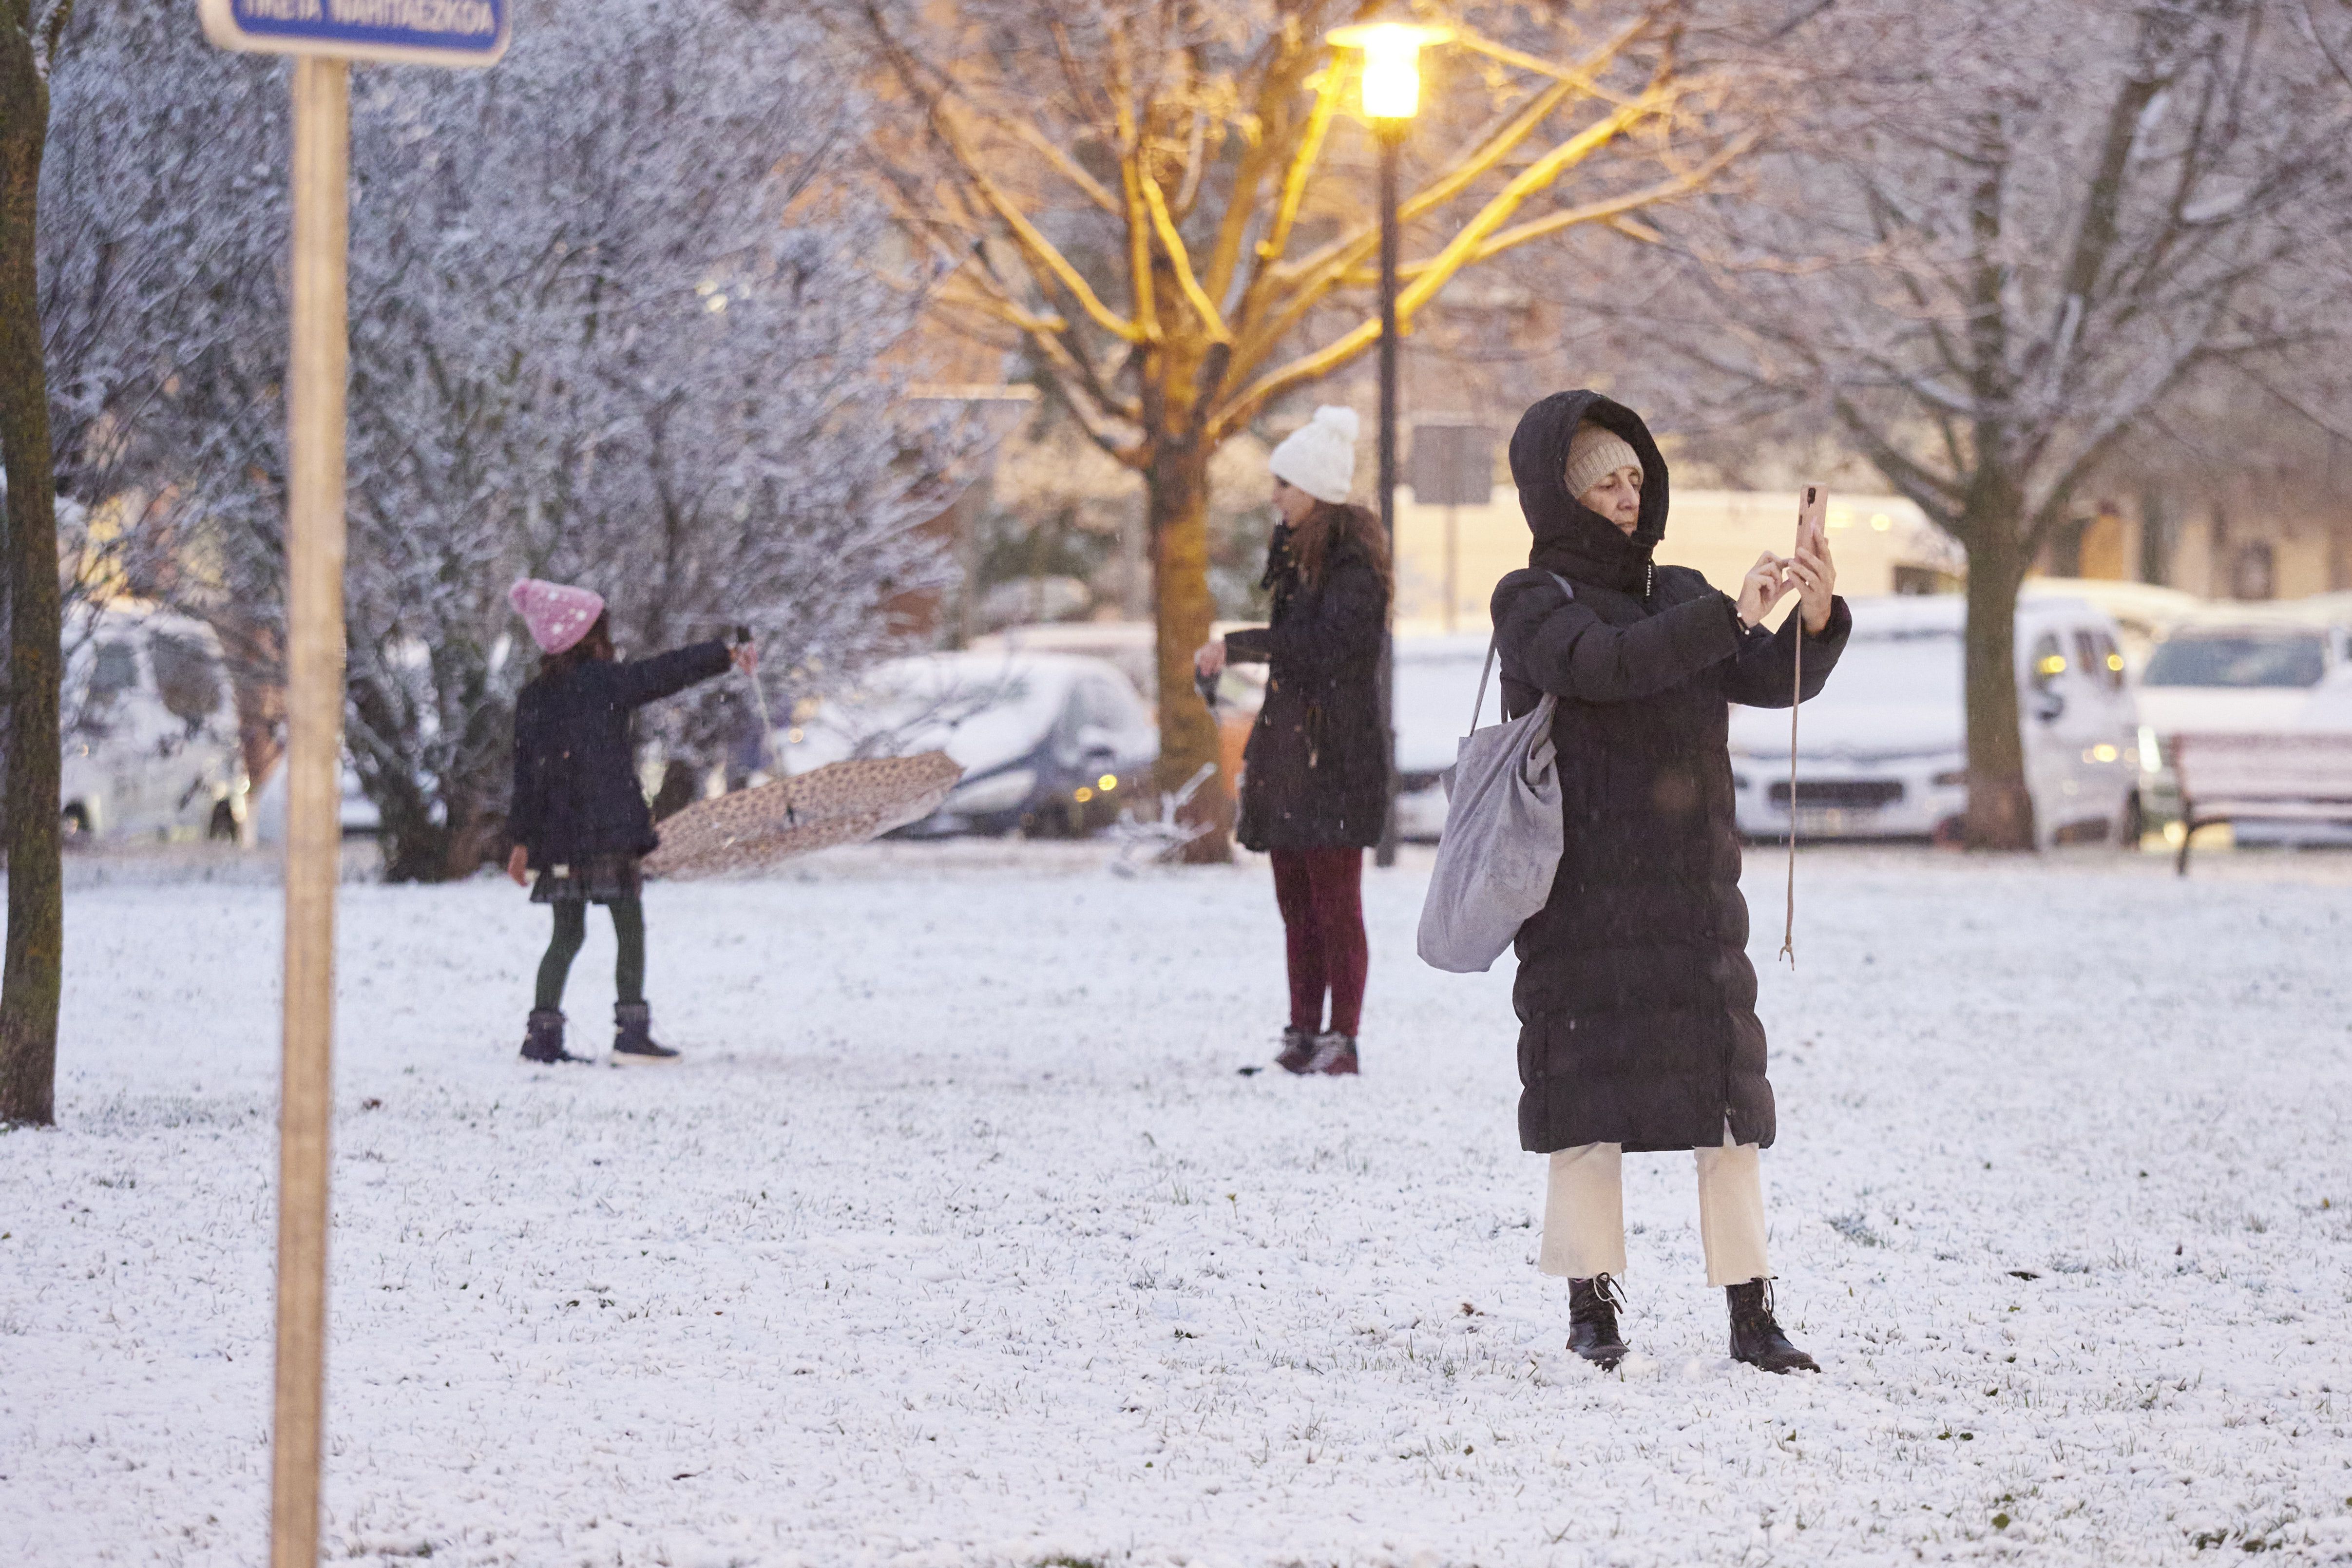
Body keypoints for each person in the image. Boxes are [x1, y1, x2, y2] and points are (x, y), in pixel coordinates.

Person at [1490, 391, 1849, 1374]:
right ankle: (1590, 1308)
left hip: (1691, 899)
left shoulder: (1680, 587)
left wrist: (1812, 614)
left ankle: (1751, 1310)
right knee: (1583, 1113)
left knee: (1724, 1110)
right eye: (1602, 479)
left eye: (1633, 477)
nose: (1622, 494)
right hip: (1580, 899)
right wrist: (1727, 616)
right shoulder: (1531, 604)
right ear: (1557, 493)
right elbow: (1606, 666)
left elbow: (1771, 676)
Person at [1194, 405, 1391, 1077]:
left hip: (1334, 759)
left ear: (1314, 490)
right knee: (1296, 906)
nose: (1273, 496)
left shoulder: (1354, 569)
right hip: (1289, 759)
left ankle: (1343, 1035)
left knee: (1335, 905)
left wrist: (1241, 643)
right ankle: (1303, 1029)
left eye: (1284, 484)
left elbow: (1329, 650)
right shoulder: (1294, 561)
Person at [503, 579, 753, 1065]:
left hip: (558, 837)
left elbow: (524, 775)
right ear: (585, 635)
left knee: (566, 934)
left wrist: (520, 842)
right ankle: (631, 1034)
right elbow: (663, 673)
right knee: (629, 926)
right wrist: (723, 654)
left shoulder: (534, 696)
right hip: (608, 831)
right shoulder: (604, 681)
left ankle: (542, 1035)